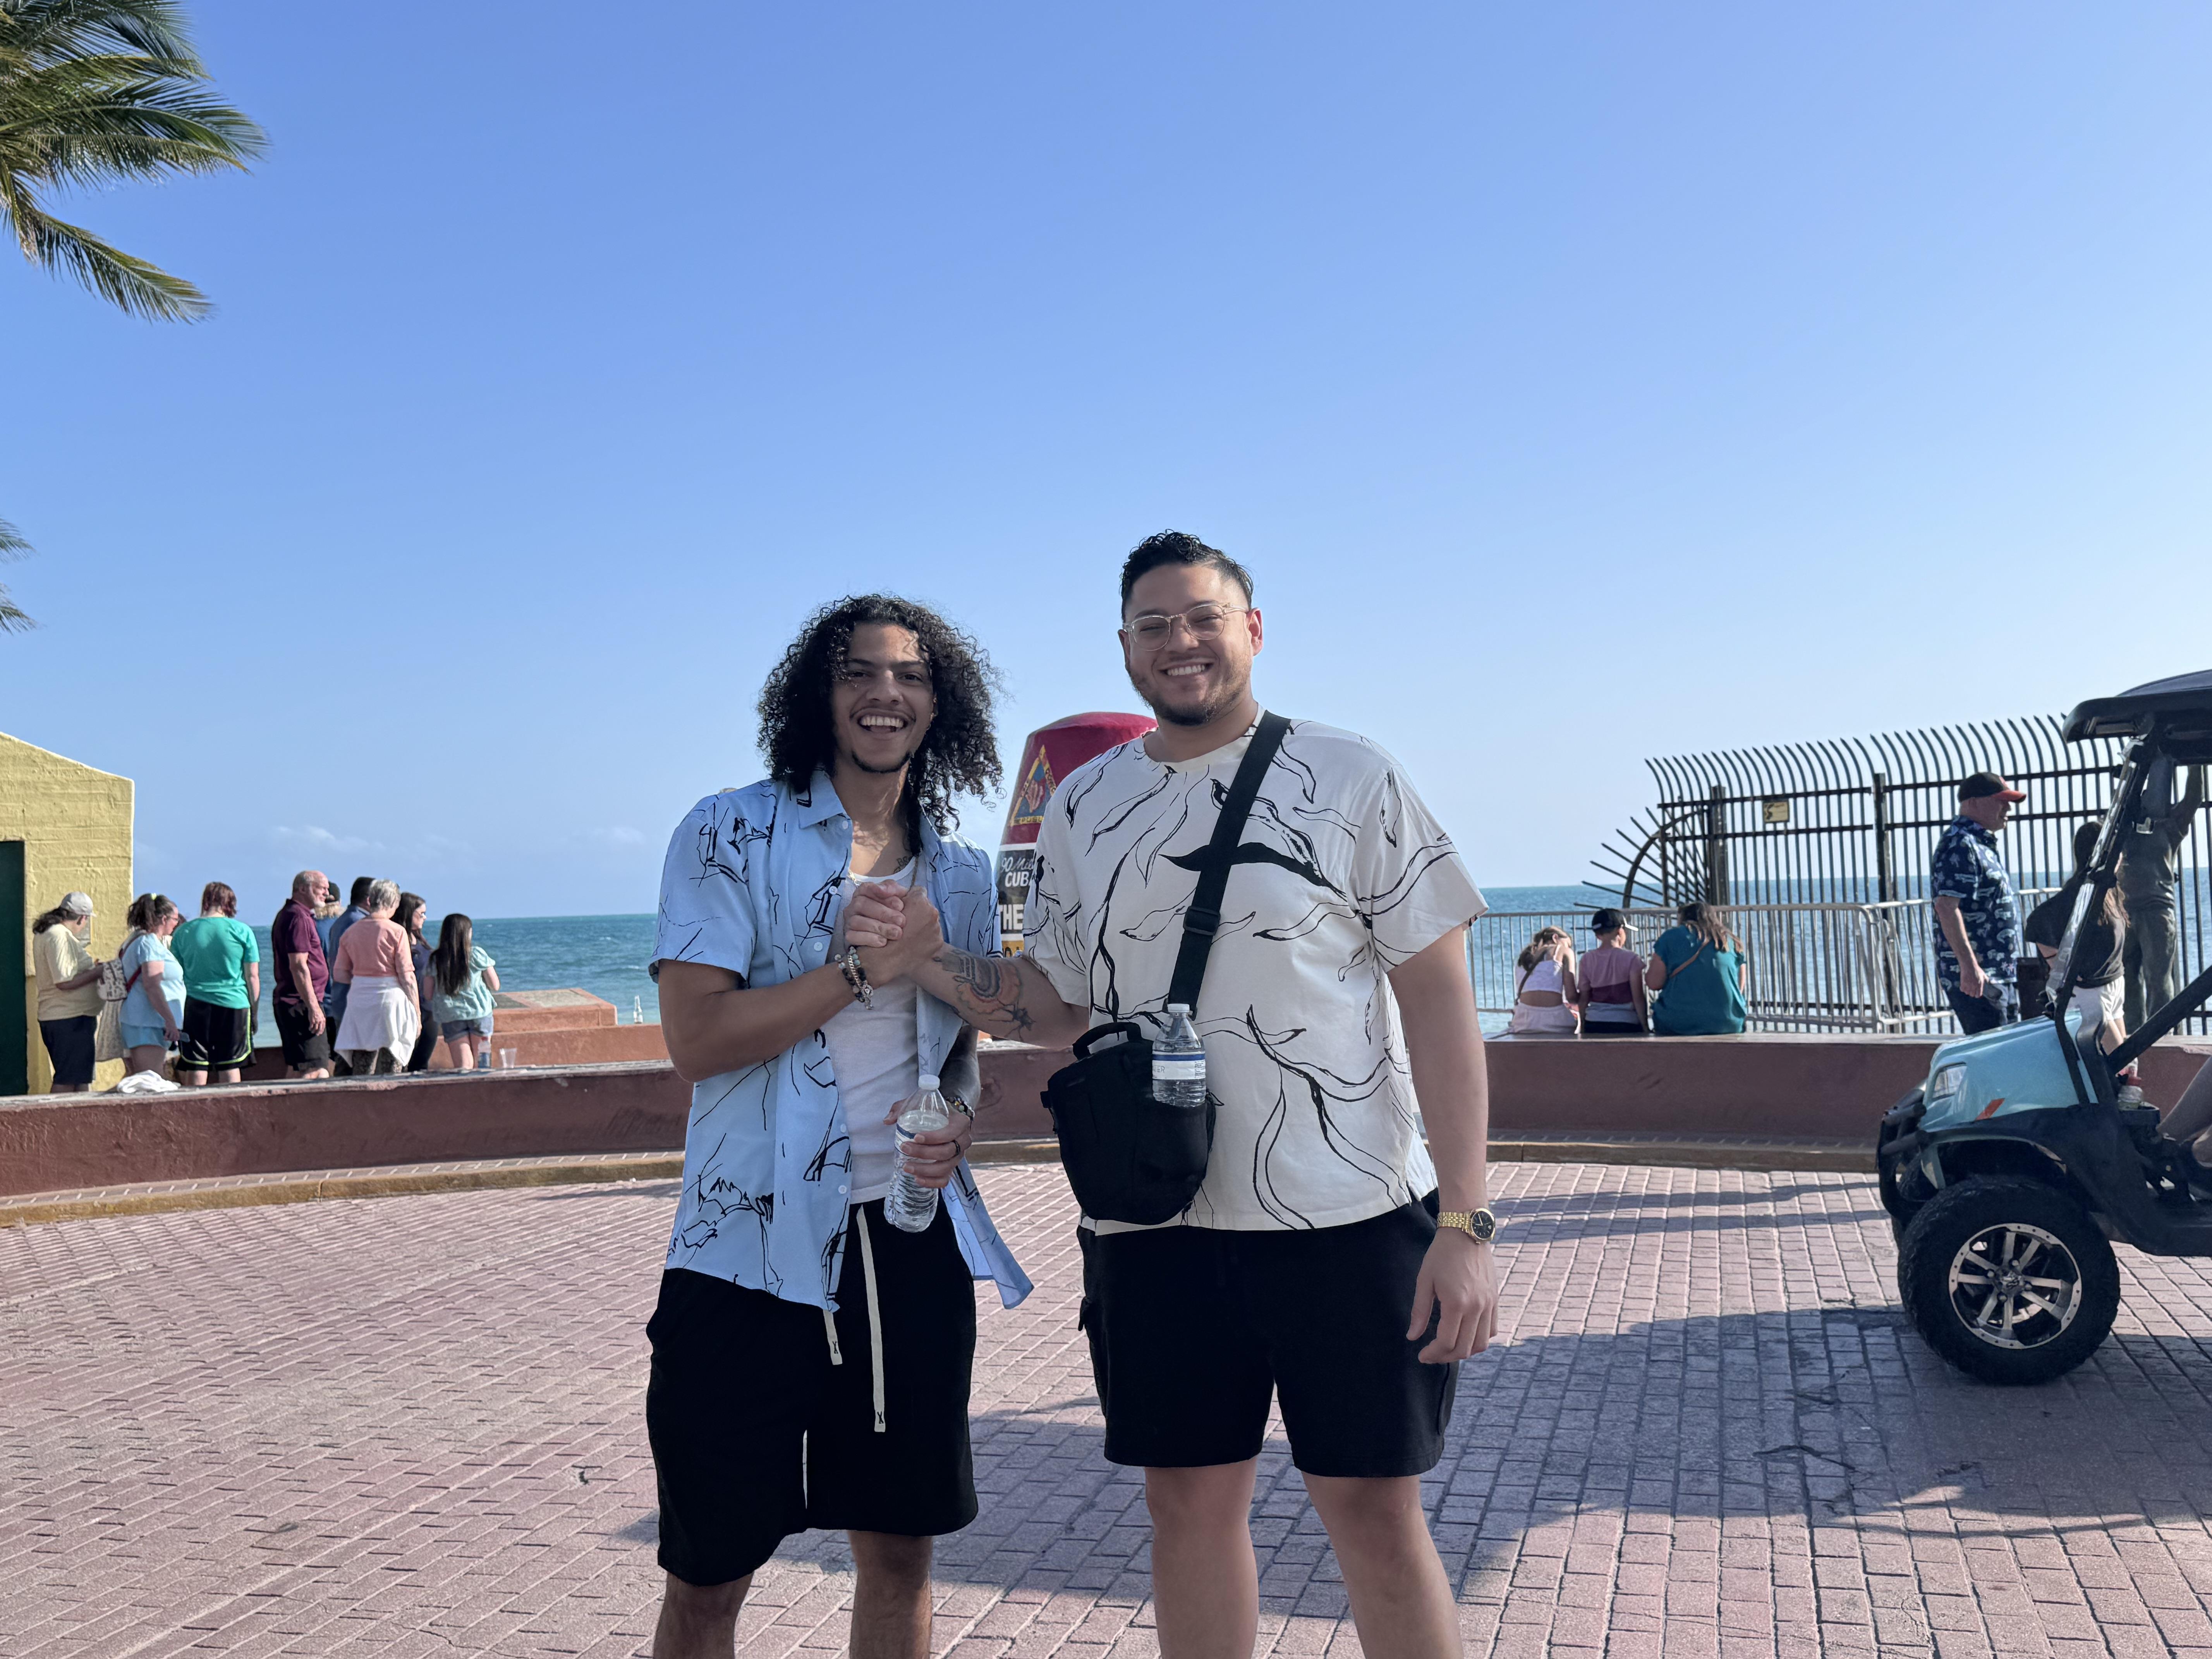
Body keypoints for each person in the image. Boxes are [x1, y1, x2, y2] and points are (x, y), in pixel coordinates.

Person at [850, 532, 1497, 1659]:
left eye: (1200, 617)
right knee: (1186, 1512)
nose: (1178, 643)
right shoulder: (1085, 805)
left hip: (1341, 1220)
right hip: (1154, 1221)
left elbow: (1439, 1003)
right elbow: (1053, 1004)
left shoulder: (1350, 776)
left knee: (1374, 1520)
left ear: (1251, 629)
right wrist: (925, 963)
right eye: (1151, 627)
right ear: (1123, 650)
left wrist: (1463, 1221)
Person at [646, 593, 1031, 1659]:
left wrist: (957, 1118)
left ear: (938, 703)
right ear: (818, 695)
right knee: (709, 1574)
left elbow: (962, 1049)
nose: (885, 693)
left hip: (906, 1249)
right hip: (745, 1251)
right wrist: (857, 969)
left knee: (901, 1556)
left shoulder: (957, 872)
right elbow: (699, 1036)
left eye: (910, 675)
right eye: (859, 672)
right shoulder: (729, 829)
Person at [1931, 771, 2026, 1034]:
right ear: (1973, 803)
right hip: (1981, 978)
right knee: (1993, 1060)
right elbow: (1947, 908)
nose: (2007, 808)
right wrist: (1969, 968)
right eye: (2000, 801)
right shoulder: (1960, 844)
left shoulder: (1979, 843)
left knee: (2003, 1056)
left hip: (1998, 974)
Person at [2023, 822, 2127, 1052]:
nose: (2121, 855)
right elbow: (2038, 923)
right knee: (2124, 1066)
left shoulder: (2108, 892)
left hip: (2112, 987)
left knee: (2124, 1066)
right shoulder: (2083, 894)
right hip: (2090, 994)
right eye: (2116, 849)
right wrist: (2057, 963)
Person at [2121, 759, 2205, 1029]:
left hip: (2157, 911)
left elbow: (2194, 796)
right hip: (2124, 910)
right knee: (2126, 980)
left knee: (2159, 980)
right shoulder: (2124, 826)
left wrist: (2196, 765)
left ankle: (2162, 1035)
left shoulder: (2171, 825)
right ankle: (2133, 1038)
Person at [170, 882, 260, 1086]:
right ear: (230, 904)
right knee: (230, 1064)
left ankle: (194, 1112)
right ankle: (231, 1112)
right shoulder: (242, 931)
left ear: (206, 902)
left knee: (196, 1064)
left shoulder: (183, 932)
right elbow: (252, 976)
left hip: (194, 1005)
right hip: (234, 1005)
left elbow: (175, 975)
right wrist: (254, 1011)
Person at [331, 879, 420, 1075]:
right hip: (391, 998)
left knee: (362, 1062)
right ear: (395, 903)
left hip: (360, 998)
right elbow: (407, 977)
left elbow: (340, 974)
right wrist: (417, 1013)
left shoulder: (350, 932)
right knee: (392, 1060)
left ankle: (361, 1102)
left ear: (370, 900)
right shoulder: (397, 932)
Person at [31, 891, 103, 1092]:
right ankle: (54, 1123)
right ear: (83, 918)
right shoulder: (58, 935)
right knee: (68, 1080)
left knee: (79, 1080)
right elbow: (64, 981)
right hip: (68, 1019)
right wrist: (98, 972)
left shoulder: (50, 933)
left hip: (69, 1018)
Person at [1645, 902, 1750, 1036]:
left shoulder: (1670, 937)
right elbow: (1739, 987)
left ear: (1683, 918)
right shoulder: (1731, 941)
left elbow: (1654, 984)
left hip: (1678, 1022)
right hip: (1729, 1022)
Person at [271, 870, 334, 1081]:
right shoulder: (298, 917)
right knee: (317, 1071)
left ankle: (287, 1113)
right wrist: (314, 1007)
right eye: (322, 888)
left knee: (299, 1069)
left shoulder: (296, 914)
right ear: (302, 888)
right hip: (301, 1004)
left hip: (296, 1002)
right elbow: (298, 965)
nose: (327, 893)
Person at [117, 893, 186, 1074]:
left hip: (142, 1020)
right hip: (147, 1022)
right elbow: (152, 986)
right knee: (152, 1079)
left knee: (139, 1079)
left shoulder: (138, 940)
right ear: (164, 919)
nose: (176, 924)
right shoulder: (149, 944)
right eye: (175, 919)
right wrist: (170, 1021)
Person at [429, 914, 501, 1071]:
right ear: (468, 933)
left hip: (451, 1015)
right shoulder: (477, 954)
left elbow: (428, 994)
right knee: (483, 1065)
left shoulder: (436, 959)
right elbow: (495, 985)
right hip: (480, 1013)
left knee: (463, 1066)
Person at [321, 876, 376, 1052]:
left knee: (347, 1058)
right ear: (369, 900)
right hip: (354, 1000)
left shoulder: (343, 920)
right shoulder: (360, 923)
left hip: (339, 998)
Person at [1577, 908, 1649, 1035]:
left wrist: (1582, 1026)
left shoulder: (1587, 959)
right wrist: (1645, 1027)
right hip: (1626, 1022)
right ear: (1620, 930)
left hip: (1594, 1022)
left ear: (1597, 935)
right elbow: (1638, 998)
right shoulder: (1631, 958)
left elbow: (1584, 998)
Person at [1504, 926, 1579, 1035]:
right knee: (1577, 1024)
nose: (1568, 947)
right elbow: (1571, 996)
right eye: (1567, 944)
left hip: (1524, 1021)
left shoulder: (1523, 957)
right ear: (1555, 938)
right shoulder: (1564, 951)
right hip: (1556, 1020)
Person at [394, 893, 438, 1072]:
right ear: (408, 913)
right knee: (405, 1064)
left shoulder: (419, 939)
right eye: (421, 914)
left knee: (422, 1063)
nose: (425, 918)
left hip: (429, 1009)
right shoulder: (397, 939)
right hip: (407, 1010)